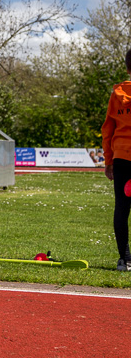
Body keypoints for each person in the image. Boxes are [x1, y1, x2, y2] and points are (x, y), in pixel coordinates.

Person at [101, 48, 131, 272]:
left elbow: (108, 130)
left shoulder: (117, 94)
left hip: (121, 156)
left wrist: (109, 161)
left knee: (122, 207)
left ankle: (125, 259)